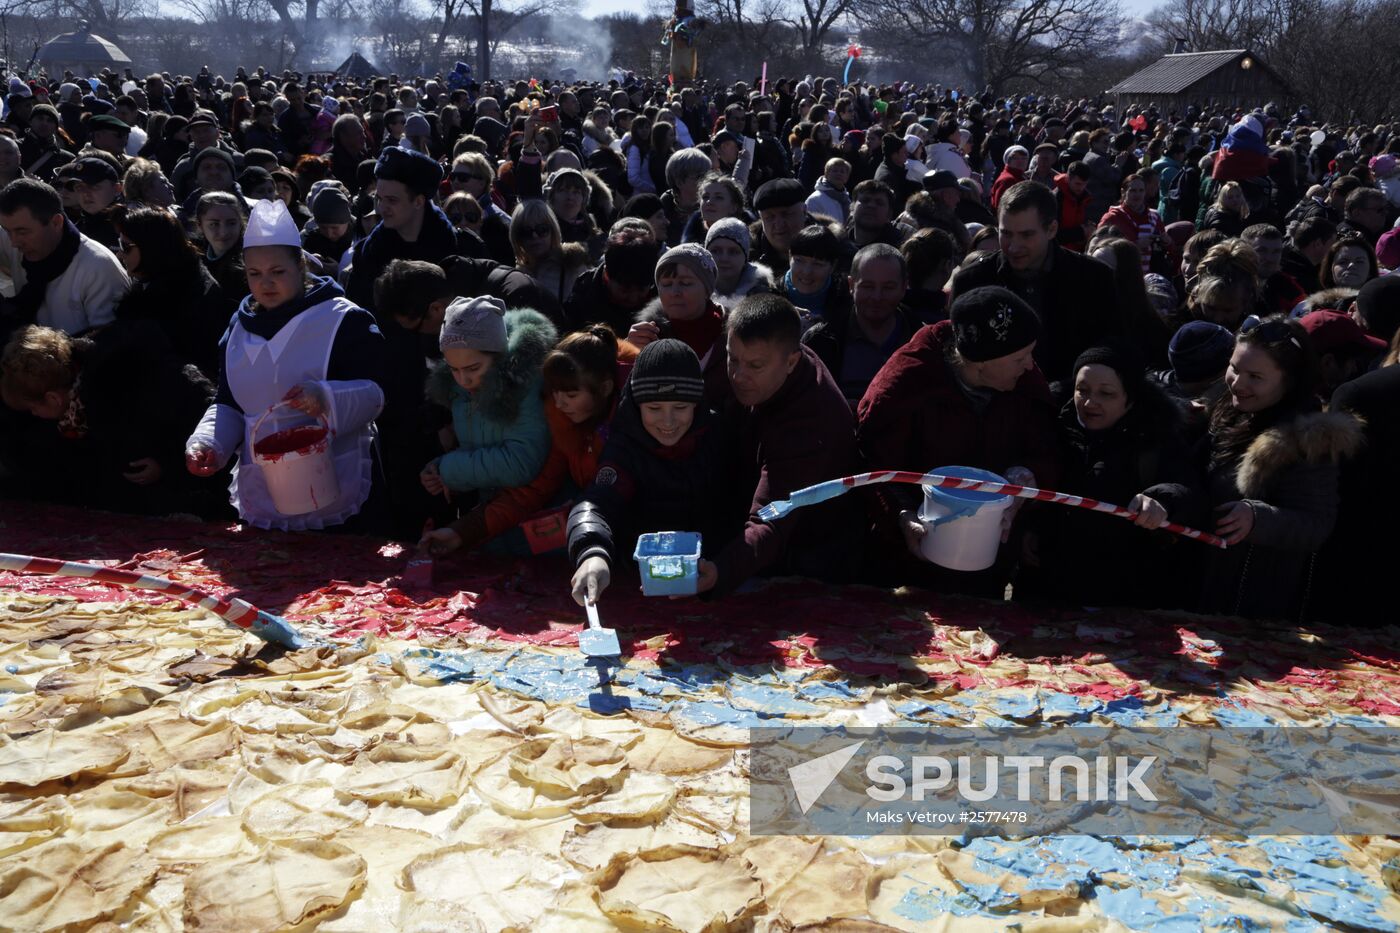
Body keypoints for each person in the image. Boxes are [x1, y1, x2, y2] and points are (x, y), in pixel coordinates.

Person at [184, 199, 388, 532]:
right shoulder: (237, 328)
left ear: (300, 266)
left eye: (277, 272)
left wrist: (325, 397)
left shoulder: (343, 320)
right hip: (266, 487)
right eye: (255, 274)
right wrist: (209, 443)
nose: (266, 283)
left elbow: (378, 393)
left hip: (338, 482)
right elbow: (230, 403)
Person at [856, 286, 1059, 597]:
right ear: (979, 363)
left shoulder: (1025, 382)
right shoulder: (907, 383)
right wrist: (900, 514)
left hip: (991, 558)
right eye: (1020, 357)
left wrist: (1024, 482)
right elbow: (874, 463)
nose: (1030, 365)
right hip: (908, 561)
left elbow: (1049, 450)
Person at [1199, 316, 1361, 620]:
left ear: (1289, 380)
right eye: (1234, 368)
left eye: (1255, 377)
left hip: (1251, 602)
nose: (1238, 383)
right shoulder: (1226, 410)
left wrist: (1257, 518)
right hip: (1201, 585)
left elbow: (1316, 524)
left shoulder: (1308, 441)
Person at [1018, 342, 1202, 609]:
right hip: (1044, 585)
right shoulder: (1051, 423)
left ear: (1131, 397)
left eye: (1107, 394)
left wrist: (1161, 501)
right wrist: (1029, 528)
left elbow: (1188, 490)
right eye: (1082, 390)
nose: (1090, 402)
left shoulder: (1156, 437)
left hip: (1119, 593)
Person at [704, 293, 862, 596]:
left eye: (755, 366)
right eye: (732, 359)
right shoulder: (768, 367)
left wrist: (720, 572)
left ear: (792, 361)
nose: (738, 376)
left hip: (811, 553)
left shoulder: (811, 419)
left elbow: (772, 518)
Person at [421, 324, 626, 556]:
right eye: (555, 393)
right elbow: (531, 492)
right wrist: (461, 532)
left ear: (605, 388)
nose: (560, 404)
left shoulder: (636, 420)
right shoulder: (562, 421)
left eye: (571, 395)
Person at [567, 338, 736, 605]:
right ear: (636, 405)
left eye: (680, 408)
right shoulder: (625, 446)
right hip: (640, 581)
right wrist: (592, 553)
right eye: (654, 408)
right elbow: (596, 504)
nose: (667, 422)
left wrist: (726, 565)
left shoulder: (719, 435)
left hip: (713, 577)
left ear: (697, 403)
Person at [1, 321, 218, 517]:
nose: (34, 415)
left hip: (193, 492)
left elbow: (199, 426)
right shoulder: (79, 403)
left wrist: (167, 463)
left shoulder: (122, 383)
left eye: (32, 408)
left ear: (53, 399)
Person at [949, 181, 1119, 382]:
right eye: (1006, 234)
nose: (1013, 247)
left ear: (1052, 229)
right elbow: (955, 356)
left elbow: (1114, 348)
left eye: (1026, 235)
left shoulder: (1095, 278)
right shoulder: (972, 280)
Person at [420, 296, 556, 508]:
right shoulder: (459, 388)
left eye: (473, 369)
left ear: (499, 355)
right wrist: (440, 471)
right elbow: (475, 450)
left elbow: (521, 463)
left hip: (532, 511)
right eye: (454, 369)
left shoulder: (526, 383)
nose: (464, 380)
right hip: (489, 509)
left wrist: (450, 469)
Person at [112, 205, 232, 379]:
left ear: (151, 248)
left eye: (125, 246)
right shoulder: (152, 281)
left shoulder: (195, 299)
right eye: (119, 244)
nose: (120, 255)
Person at [0, 177, 129, 338]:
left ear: (56, 222)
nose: (13, 243)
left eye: (22, 232)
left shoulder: (99, 268)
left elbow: (111, 345)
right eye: (7, 231)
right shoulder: (15, 236)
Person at [802, 243, 917, 404]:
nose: (877, 297)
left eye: (888, 287)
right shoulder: (820, 342)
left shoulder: (924, 341)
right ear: (851, 285)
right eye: (868, 286)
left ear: (904, 287)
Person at [627, 243, 729, 405]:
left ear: (707, 289)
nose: (674, 292)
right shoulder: (647, 336)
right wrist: (629, 354)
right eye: (666, 284)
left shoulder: (734, 334)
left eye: (686, 283)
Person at [562, 218, 659, 335]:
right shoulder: (584, 294)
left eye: (642, 289)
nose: (633, 297)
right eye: (625, 289)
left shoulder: (662, 293)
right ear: (607, 275)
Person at [509, 198, 590, 307]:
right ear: (517, 237)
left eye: (542, 229)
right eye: (526, 232)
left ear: (553, 231)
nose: (535, 236)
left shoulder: (572, 265)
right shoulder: (515, 274)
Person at [1100, 172, 1167, 275]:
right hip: (1119, 274)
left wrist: (1167, 241)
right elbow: (1098, 247)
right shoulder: (1112, 217)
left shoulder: (1154, 216)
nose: (1137, 194)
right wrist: (1135, 245)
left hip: (1147, 276)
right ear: (1123, 192)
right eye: (1132, 191)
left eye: (1141, 190)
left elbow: (1169, 246)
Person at [750, 177, 820, 275]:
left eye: (786, 214)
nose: (779, 224)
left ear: (804, 212)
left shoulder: (831, 251)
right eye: (769, 217)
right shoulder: (744, 257)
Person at [706, 216, 775, 313]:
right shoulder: (691, 293)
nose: (724, 258)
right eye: (716, 251)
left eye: (733, 251)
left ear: (745, 257)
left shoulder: (764, 295)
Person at [196, 190, 248, 302]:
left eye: (231, 223)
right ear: (200, 226)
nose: (223, 232)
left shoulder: (250, 264)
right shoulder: (193, 259)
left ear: (241, 224)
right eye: (214, 224)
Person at [1052, 162, 1092, 252]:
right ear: (1068, 179)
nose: (1081, 188)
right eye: (1077, 184)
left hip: (1077, 251)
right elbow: (1052, 235)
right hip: (1059, 252)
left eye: (1084, 184)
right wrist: (1082, 232)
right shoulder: (1056, 198)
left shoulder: (1086, 198)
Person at [806, 157, 851, 225]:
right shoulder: (815, 199)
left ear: (847, 177)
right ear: (826, 174)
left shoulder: (847, 200)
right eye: (835, 170)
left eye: (842, 171)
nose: (839, 174)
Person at [990, 145, 1028, 212]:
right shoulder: (1007, 180)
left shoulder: (1021, 176)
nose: (1020, 161)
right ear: (1008, 161)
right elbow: (1000, 207)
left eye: (1024, 158)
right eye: (1015, 158)